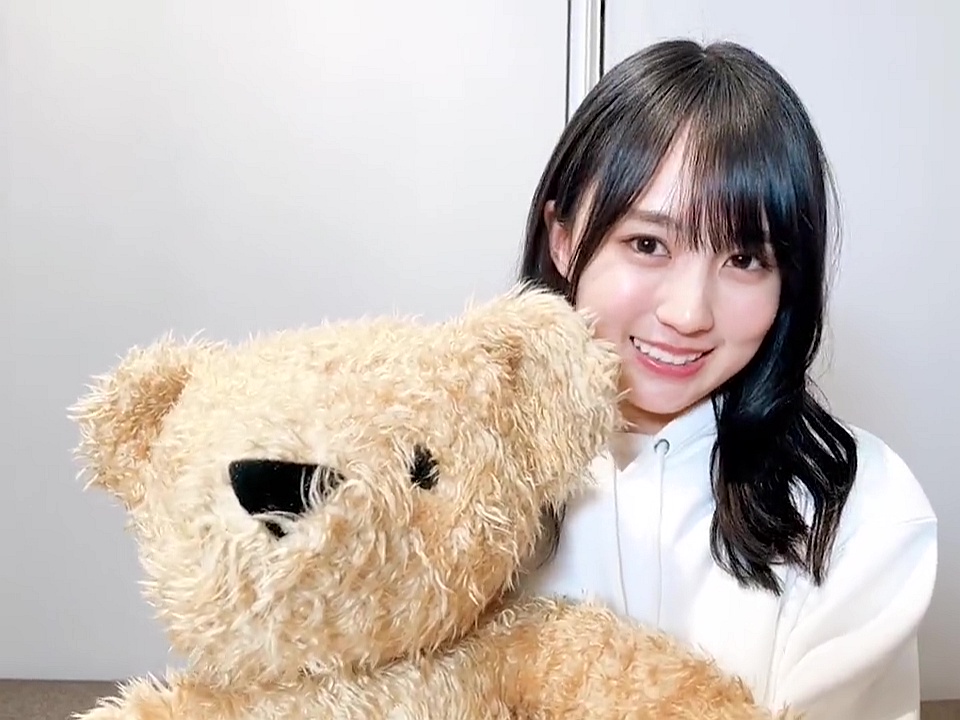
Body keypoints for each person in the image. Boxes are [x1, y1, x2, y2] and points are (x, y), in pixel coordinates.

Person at [514, 38, 938, 720]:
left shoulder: (860, 507)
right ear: (563, 240)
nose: (688, 314)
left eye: (744, 259)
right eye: (648, 244)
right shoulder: (456, 474)